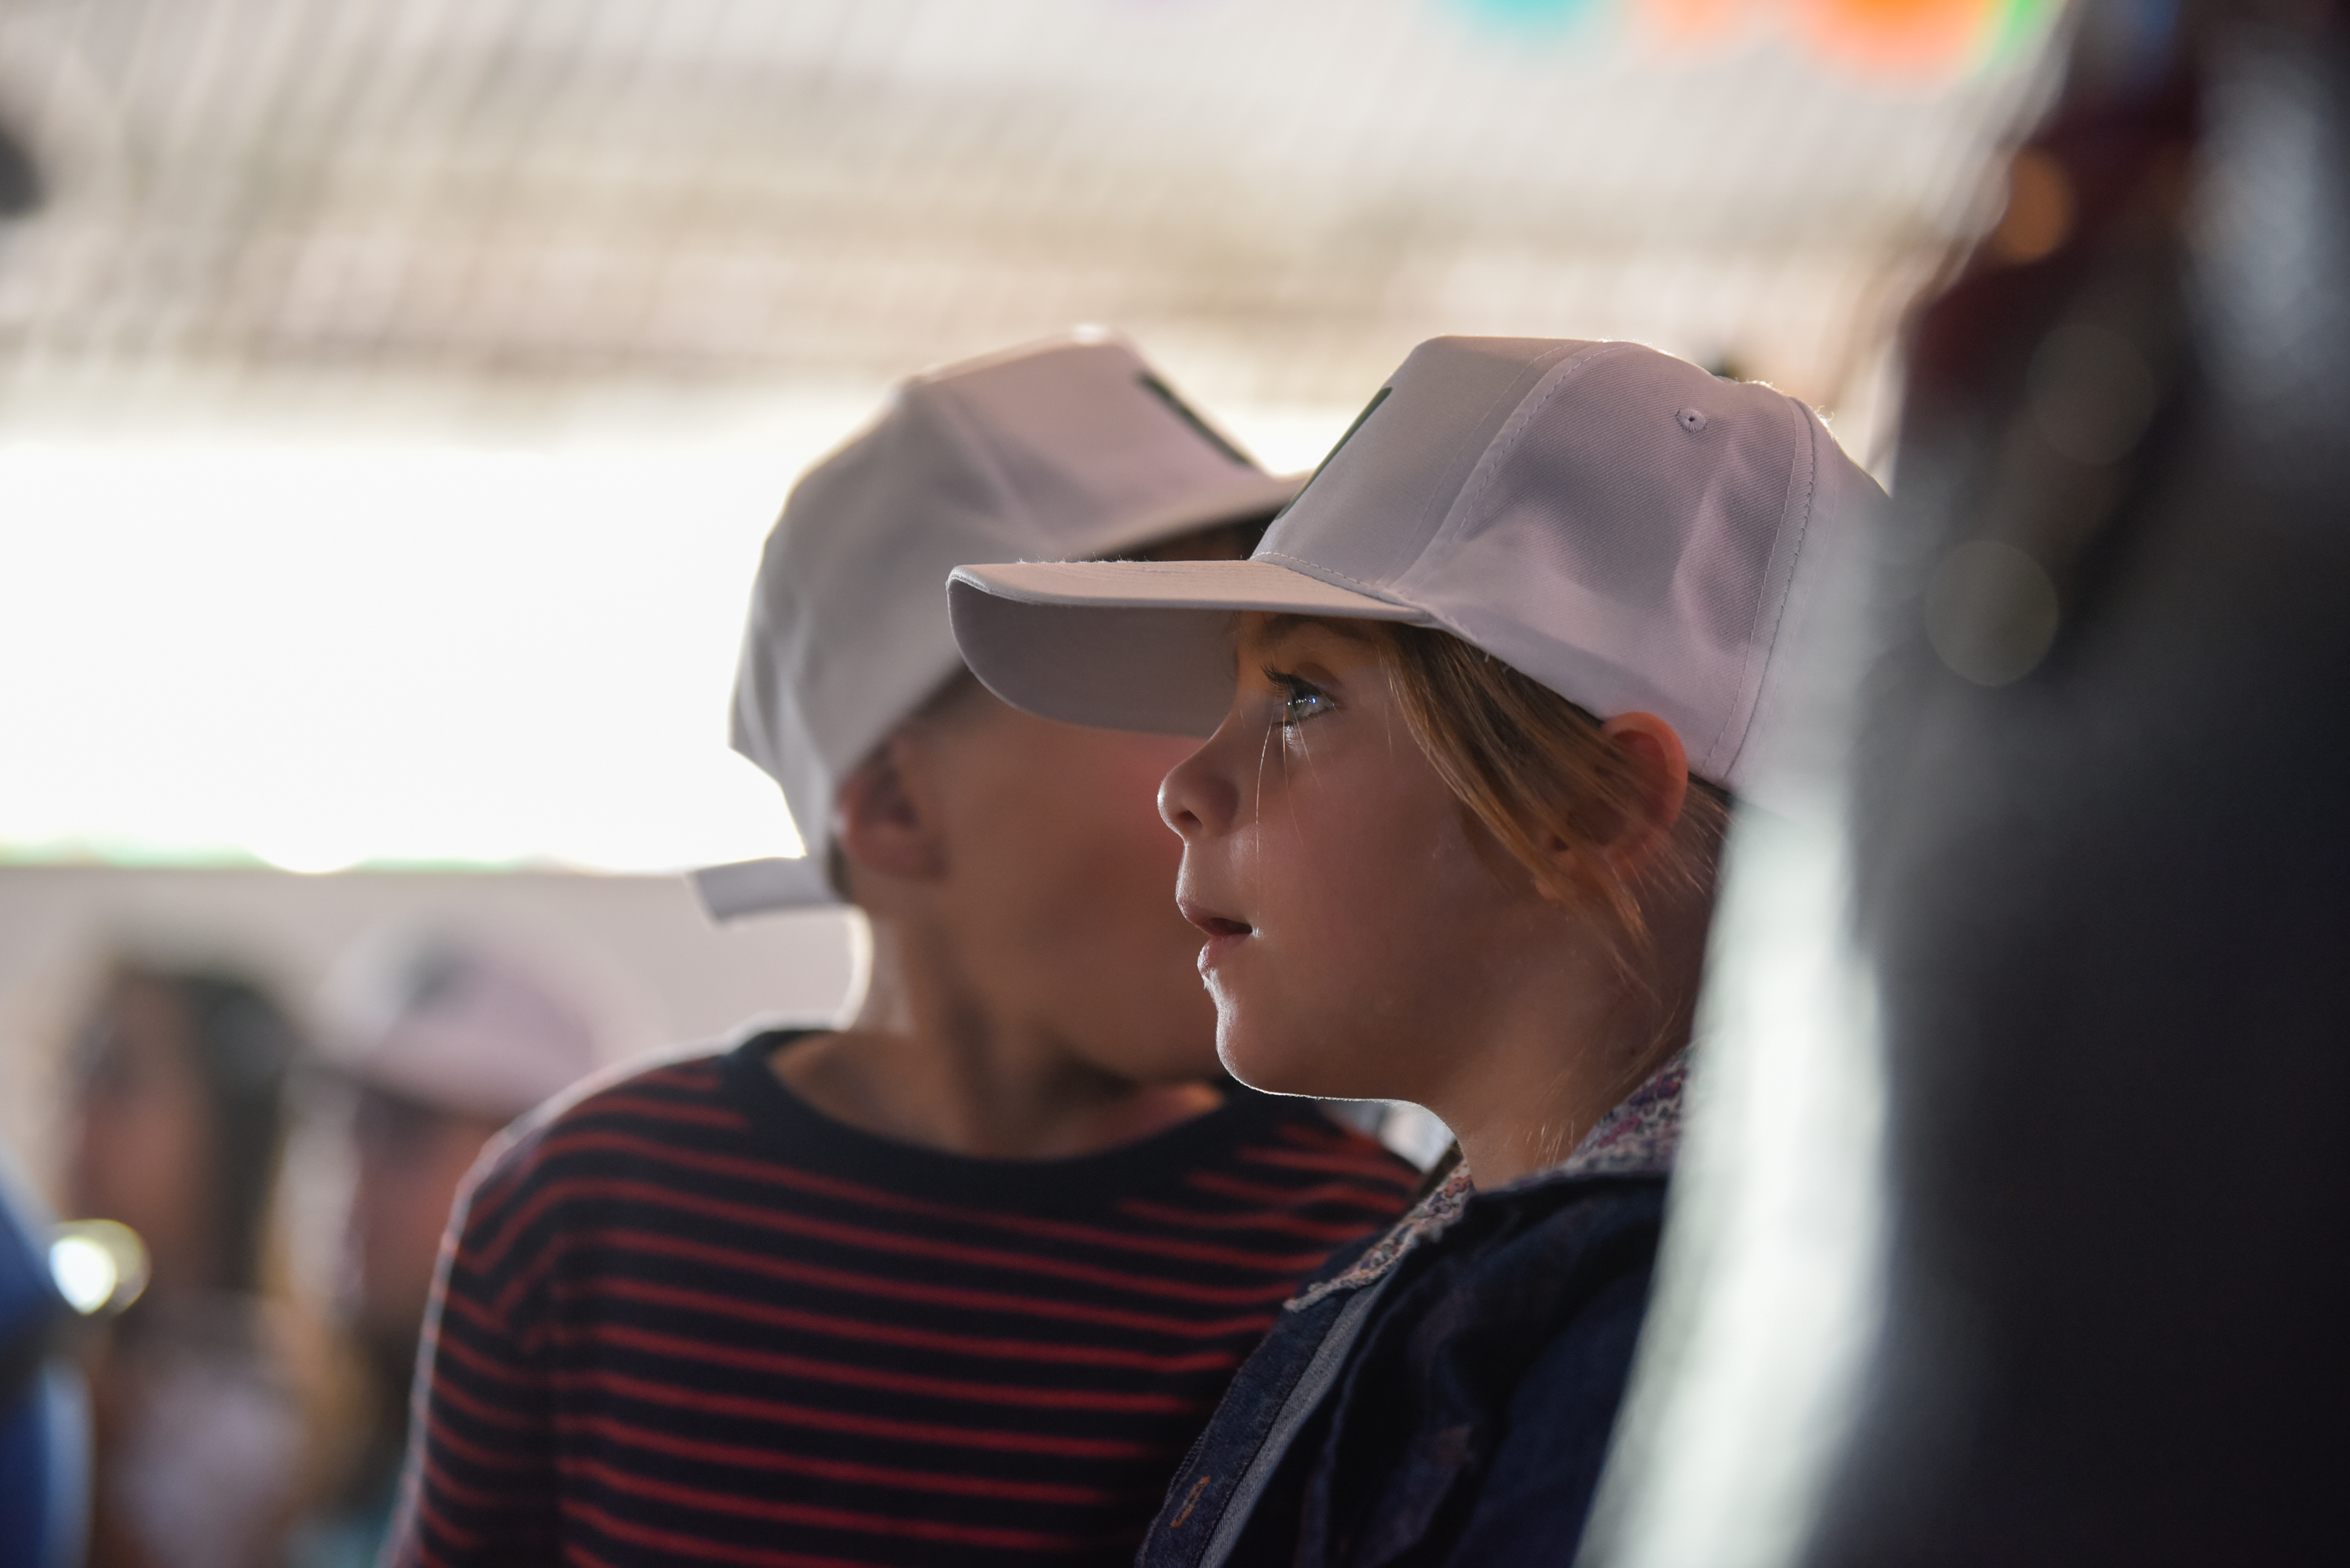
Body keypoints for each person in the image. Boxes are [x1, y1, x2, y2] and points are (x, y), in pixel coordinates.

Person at [391, 333, 1419, 1568]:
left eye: (1283, 700)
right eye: (1170, 698)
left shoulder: (1366, 1262)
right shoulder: (584, 1217)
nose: (1242, 778)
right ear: (892, 809)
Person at [947, 334, 1885, 1566]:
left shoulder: (1655, 1340)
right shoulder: (1504, 1265)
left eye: (1300, 696)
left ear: (1592, 806)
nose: (1185, 785)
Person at [286, 939, 598, 1568]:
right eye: (354, 1127)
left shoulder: (574, 1504)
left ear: (545, 1180)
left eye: (406, 1139)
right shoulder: (336, 1449)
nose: (356, 1186)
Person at [63, 963, 313, 1568]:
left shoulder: (282, 1414)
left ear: (224, 1128)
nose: (80, 1109)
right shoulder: (60, 1329)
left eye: (119, 1077)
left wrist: (75, 1454)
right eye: (79, 1068)